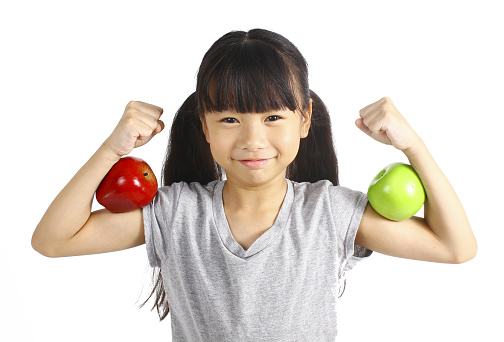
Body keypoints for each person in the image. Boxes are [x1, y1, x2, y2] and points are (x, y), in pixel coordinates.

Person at [32, 29, 477, 340]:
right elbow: (53, 240)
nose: (252, 140)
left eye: (272, 117)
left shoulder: (328, 212)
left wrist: (413, 146)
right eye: (229, 118)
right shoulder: (176, 213)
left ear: (304, 120)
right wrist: (111, 150)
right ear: (203, 126)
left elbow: (455, 248)